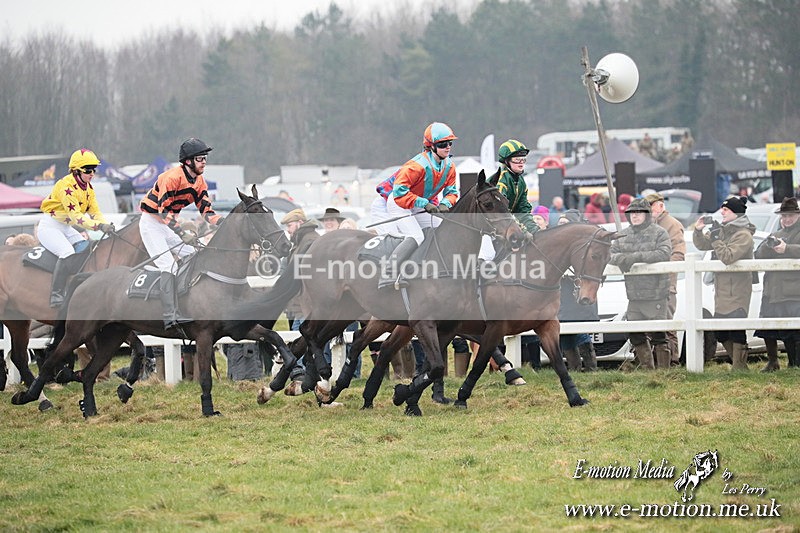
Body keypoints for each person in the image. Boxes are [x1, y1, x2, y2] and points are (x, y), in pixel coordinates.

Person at [139, 138, 222, 329]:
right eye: (200, 158)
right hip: (152, 223)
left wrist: (223, 222)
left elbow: (206, 210)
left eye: (205, 158)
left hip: (167, 225)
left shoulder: (199, 181)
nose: (204, 162)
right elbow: (163, 211)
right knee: (168, 265)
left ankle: (188, 302)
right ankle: (169, 315)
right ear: (188, 161)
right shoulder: (171, 178)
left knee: (194, 255)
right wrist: (182, 233)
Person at [379, 122, 459, 288]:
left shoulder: (450, 166)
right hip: (399, 202)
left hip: (418, 203)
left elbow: (452, 192)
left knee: (441, 231)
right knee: (416, 236)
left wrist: (445, 203)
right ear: (431, 146)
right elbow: (400, 192)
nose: (448, 147)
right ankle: (388, 273)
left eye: (450, 143)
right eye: (443, 144)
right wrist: (425, 203)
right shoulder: (416, 166)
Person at [38, 148, 115, 307]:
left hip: (65, 227)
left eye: (94, 170)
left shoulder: (88, 189)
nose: (92, 173)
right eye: (88, 170)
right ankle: (56, 294)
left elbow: (95, 213)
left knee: (85, 247)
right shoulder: (65, 185)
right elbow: (76, 217)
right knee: (67, 252)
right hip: (50, 226)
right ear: (76, 170)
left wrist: (106, 225)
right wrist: (99, 226)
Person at [609, 198, 672, 370]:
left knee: (659, 334)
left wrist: (636, 257)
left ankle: (663, 371)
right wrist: (621, 259)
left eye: (638, 213)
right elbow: (610, 254)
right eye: (631, 213)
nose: (635, 216)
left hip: (656, 292)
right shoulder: (623, 234)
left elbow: (664, 253)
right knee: (635, 333)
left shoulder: (660, 233)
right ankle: (648, 369)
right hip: (634, 294)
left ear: (647, 214)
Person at [693, 196, 755, 370]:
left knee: (736, 330)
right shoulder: (724, 231)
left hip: (738, 291)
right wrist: (699, 231)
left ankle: (739, 367)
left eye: (726, 210)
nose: (722, 212)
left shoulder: (744, 235)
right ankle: (739, 366)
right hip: (721, 291)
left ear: (736, 213)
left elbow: (728, 257)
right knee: (721, 332)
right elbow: (702, 245)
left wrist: (715, 240)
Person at [754, 197, 800, 371]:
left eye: (790, 216)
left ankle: (795, 363)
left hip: (794, 290)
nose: (786, 219)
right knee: (770, 327)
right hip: (773, 290)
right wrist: (768, 246)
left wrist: (787, 249)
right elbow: (757, 255)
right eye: (784, 216)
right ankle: (774, 361)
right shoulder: (776, 234)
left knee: (795, 330)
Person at [479, 139, 540, 264]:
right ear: (506, 161)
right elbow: (503, 212)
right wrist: (522, 230)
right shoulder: (501, 181)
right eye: (517, 160)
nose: (521, 163)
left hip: (506, 224)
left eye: (523, 159)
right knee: (496, 256)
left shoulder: (521, 181)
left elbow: (523, 210)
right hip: (488, 226)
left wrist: (535, 230)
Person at [646, 191, 686, 366]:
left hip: (666, 284)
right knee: (650, 325)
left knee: (667, 324)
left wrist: (661, 269)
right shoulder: (649, 226)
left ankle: (672, 361)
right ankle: (655, 362)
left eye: (650, 207)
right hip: (649, 284)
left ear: (660, 206)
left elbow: (678, 253)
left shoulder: (672, 225)